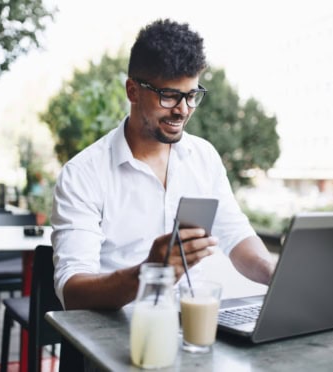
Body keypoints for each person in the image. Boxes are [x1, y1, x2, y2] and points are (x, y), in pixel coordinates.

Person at [51, 18, 275, 310]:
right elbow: (73, 292)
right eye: (169, 96)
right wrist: (149, 272)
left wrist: (275, 275)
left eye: (192, 95)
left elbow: (236, 236)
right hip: (115, 339)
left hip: (191, 330)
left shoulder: (204, 158)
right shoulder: (82, 175)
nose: (182, 110)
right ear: (132, 91)